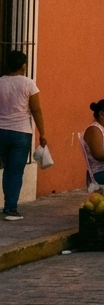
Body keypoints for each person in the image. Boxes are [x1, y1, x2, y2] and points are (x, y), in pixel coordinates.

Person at [0, 50, 47, 221]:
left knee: (7, 168)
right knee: (16, 171)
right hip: (21, 133)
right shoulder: (28, 84)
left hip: (2, 131)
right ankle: (11, 207)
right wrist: (42, 133)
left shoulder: (0, 82)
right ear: (23, 66)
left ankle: (8, 203)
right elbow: (36, 110)